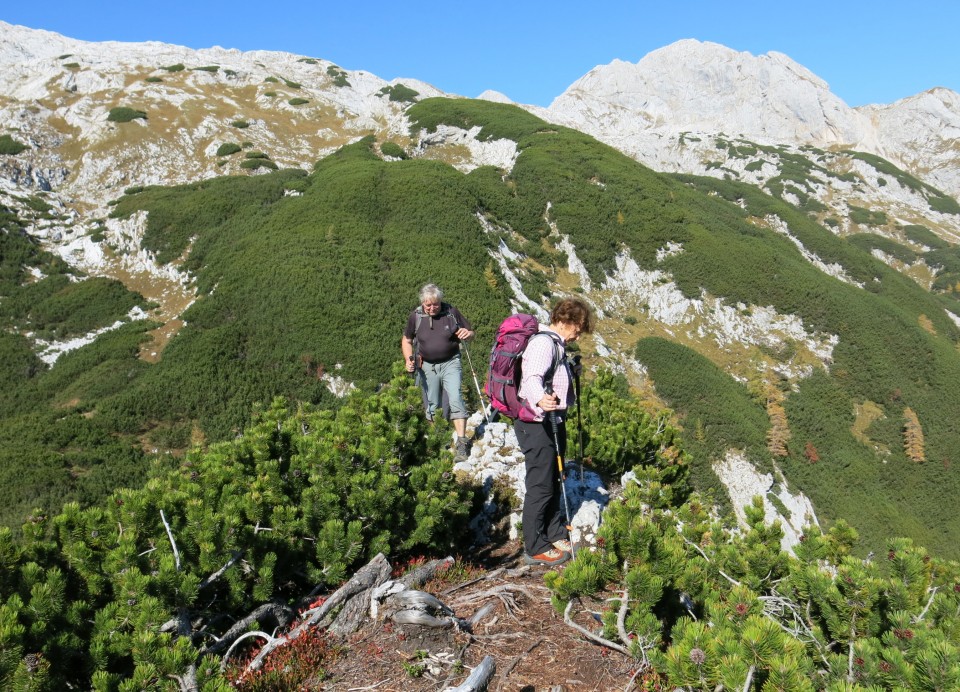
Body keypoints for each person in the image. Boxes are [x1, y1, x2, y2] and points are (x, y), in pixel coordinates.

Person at [515, 297, 593, 566]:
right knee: (539, 484)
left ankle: (554, 531)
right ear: (563, 320)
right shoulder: (542, 343)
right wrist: (539, 399)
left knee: (554, 477)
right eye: (578, 327)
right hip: (536, 423)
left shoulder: (557, 347)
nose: (579, 333)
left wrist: (571, 371)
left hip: (553, 420)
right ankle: (534, 546)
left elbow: (551, 376)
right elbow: (532, 377)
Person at [401, 284, 475, 462]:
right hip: (427, 366)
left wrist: (468, 333)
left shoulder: (451, 312)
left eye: (435, 304)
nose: (432, 308)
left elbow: (471, 333)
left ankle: (461, 443)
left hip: (451, 362)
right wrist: (408, 359)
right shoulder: (416, 316)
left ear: (440, 302)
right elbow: (407, 339)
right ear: (422, 303)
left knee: (455, 398)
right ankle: (438, 441)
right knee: (432, 405)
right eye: (428, 305)